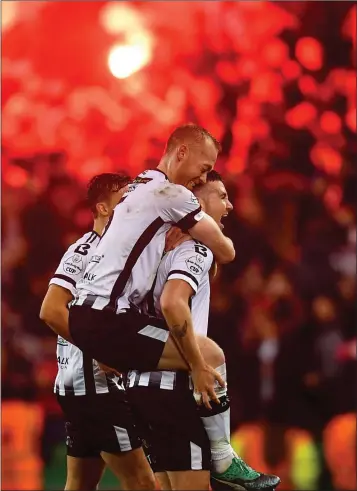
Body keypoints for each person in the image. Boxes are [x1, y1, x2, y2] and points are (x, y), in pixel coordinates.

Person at [126, 171, 281, 491]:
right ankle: (224, 457)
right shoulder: (194, 249)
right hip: (175, 387)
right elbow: (173, 303)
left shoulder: (148, 248)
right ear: (195, 203)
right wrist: (197, 365)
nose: (230, 205)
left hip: (140, 386)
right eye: (222, 196)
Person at [69, 123, 235, 410]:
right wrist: (196, 367)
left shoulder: (139, 185)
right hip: (108, 318)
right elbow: (226, 250)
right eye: (204, 167)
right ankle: (221, 450)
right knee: (208, 353)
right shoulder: (173, 195)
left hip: (86, 314)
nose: (203, 177)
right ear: (182, 152)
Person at [40, 173, 156, 491]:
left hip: (82, 386)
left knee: (80, 483)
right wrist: (100, 349)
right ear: (103, 209)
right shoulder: (87, 250)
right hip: (94, 386)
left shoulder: (120, 251)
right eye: (124, 201)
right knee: (143, 482)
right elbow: (50, 310)